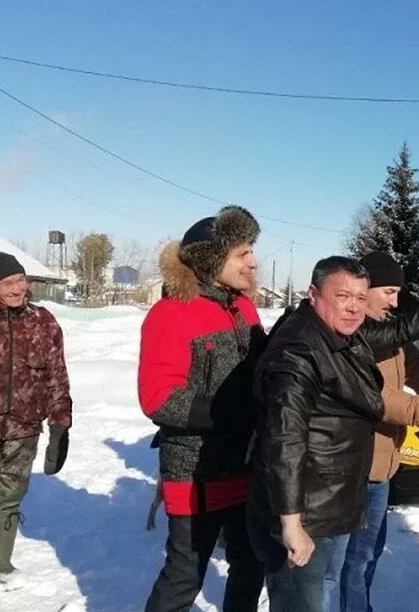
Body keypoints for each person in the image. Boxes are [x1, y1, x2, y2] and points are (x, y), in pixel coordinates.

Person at [247, 256, 419, 612]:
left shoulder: (355, 333)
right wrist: (291, 520)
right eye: (346, 296)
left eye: (358, 297)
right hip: (317, 491)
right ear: (314, 294)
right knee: (324, 579)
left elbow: (413, 358)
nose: (393, 301)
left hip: (356, 476)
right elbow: (292, 437)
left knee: (359, 564)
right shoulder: (304, 347)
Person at [323, 252, 419, 612]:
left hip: (381, 469)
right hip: (349, 470)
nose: (394, 301)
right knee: (337, 566)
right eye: (388, 291)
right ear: (363, 289)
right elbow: (382, 399)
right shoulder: (349, 334)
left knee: (365, 559)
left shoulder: (388, 336)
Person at [139, 205, 265, 612]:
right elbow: (156, 396)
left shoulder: (243, 307)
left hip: (246, 465)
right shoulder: (171, 314)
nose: (253, 262)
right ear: (214, 260)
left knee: (250, 567)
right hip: (196, 475)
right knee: (183, 578)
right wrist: (227, 412)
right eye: (242, 253)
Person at [0, 251, 72, 612]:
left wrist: (61, 422)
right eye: (9, 283)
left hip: (24, 427)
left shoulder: (42, 321)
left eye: (21, 280)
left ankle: (2, 566)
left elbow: (56, 375)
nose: (19, 289)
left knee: (12, 496)